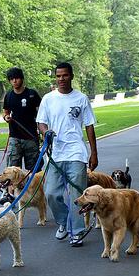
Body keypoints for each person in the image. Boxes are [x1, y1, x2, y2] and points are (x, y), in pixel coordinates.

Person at [37, 62, 98, 247]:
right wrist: (45, 132)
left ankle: (77, 232)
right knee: (50, 193)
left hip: (76, 153)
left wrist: (94, 153)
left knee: (76, 195)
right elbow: (41, 122)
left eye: (64, 75)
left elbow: (89, 126)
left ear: (71, 76)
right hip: (55, 154)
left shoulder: (81, 98)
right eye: (58, 76)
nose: (61, 79)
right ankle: (64, 222)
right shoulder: (48, 99)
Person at [0, 67, 43, 204]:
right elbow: (5, 111)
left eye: (17, 78)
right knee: (12, 167)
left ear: (22, 78)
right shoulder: (9, 95)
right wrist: (6, 117)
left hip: (30, 136)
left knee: (34, 168)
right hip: (14, 136)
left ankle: (36, 192)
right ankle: (10, 195)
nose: (14, 81)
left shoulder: (32, 94)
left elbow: (42, 111)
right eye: (11, 79)